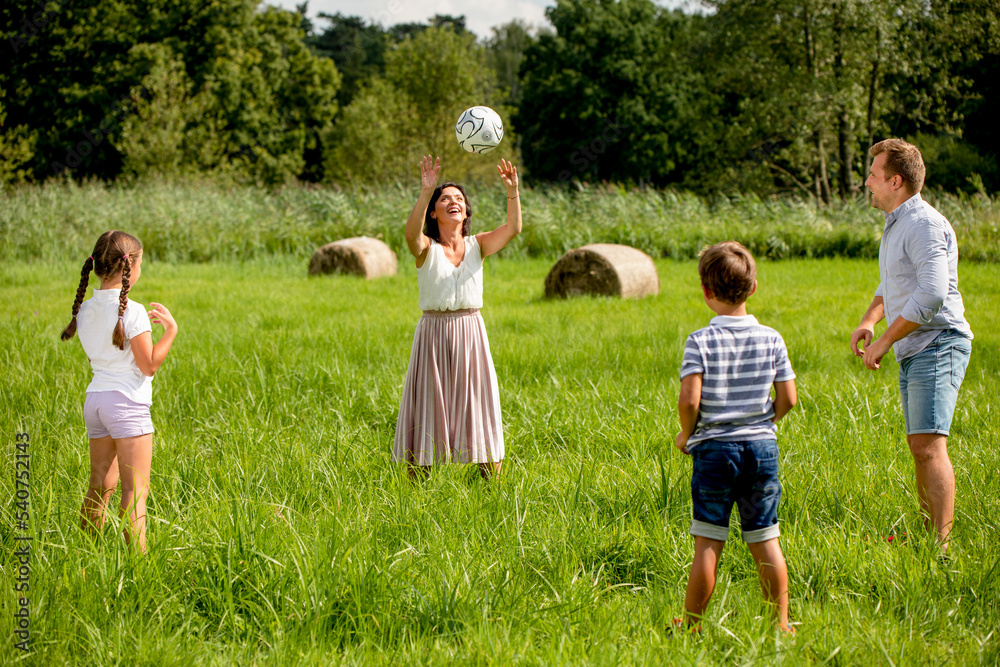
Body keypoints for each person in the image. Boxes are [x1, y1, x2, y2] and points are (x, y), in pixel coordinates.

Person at [850, 138, 973, 551]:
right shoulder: (898, 223)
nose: (867, 182)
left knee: (928, 444)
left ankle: (939, 547)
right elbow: (894, 283)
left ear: (896, 181)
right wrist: (870, 320)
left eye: (873, 174)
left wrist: (884, 340)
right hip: (918, 345)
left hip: (937, 342)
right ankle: (927, 536)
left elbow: (933, 293)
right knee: (920, 443)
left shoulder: (923, 224)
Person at [675, 241, 797, 633]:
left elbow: (689, 399)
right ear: (753, 287)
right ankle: (780, 623)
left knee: (708, 544)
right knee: (765, 539)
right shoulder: (772, 338)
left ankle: (692, 626)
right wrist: (764, 423)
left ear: (706, 292)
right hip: (762, 449)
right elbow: (789, 398)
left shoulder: (700, 341)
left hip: (713, 452)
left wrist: (686, 434)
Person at [393, 156, 521, 479]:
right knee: (428, 410)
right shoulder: (426, 248)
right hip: (433, 335)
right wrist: (425, 192)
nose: (454, 202)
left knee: (478, 407)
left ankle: (490, 492)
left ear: (465, 213)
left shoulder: (478, 245)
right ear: (434, 212)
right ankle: (415, 497)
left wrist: (512, 192)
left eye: (459, 199)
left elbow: (513, 229)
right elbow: (410, 235)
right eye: (445, 198)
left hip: (471, 332)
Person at [60, 231, 177, 553]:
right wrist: (171, 331)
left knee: (99, 486)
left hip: (96, 402)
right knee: (134, 492)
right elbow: (149, 365)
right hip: (127, 404)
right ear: (132, 265)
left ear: (96, 265)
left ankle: (85, 556)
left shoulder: (83, 309)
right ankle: (137, 567)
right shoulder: (133, 311)